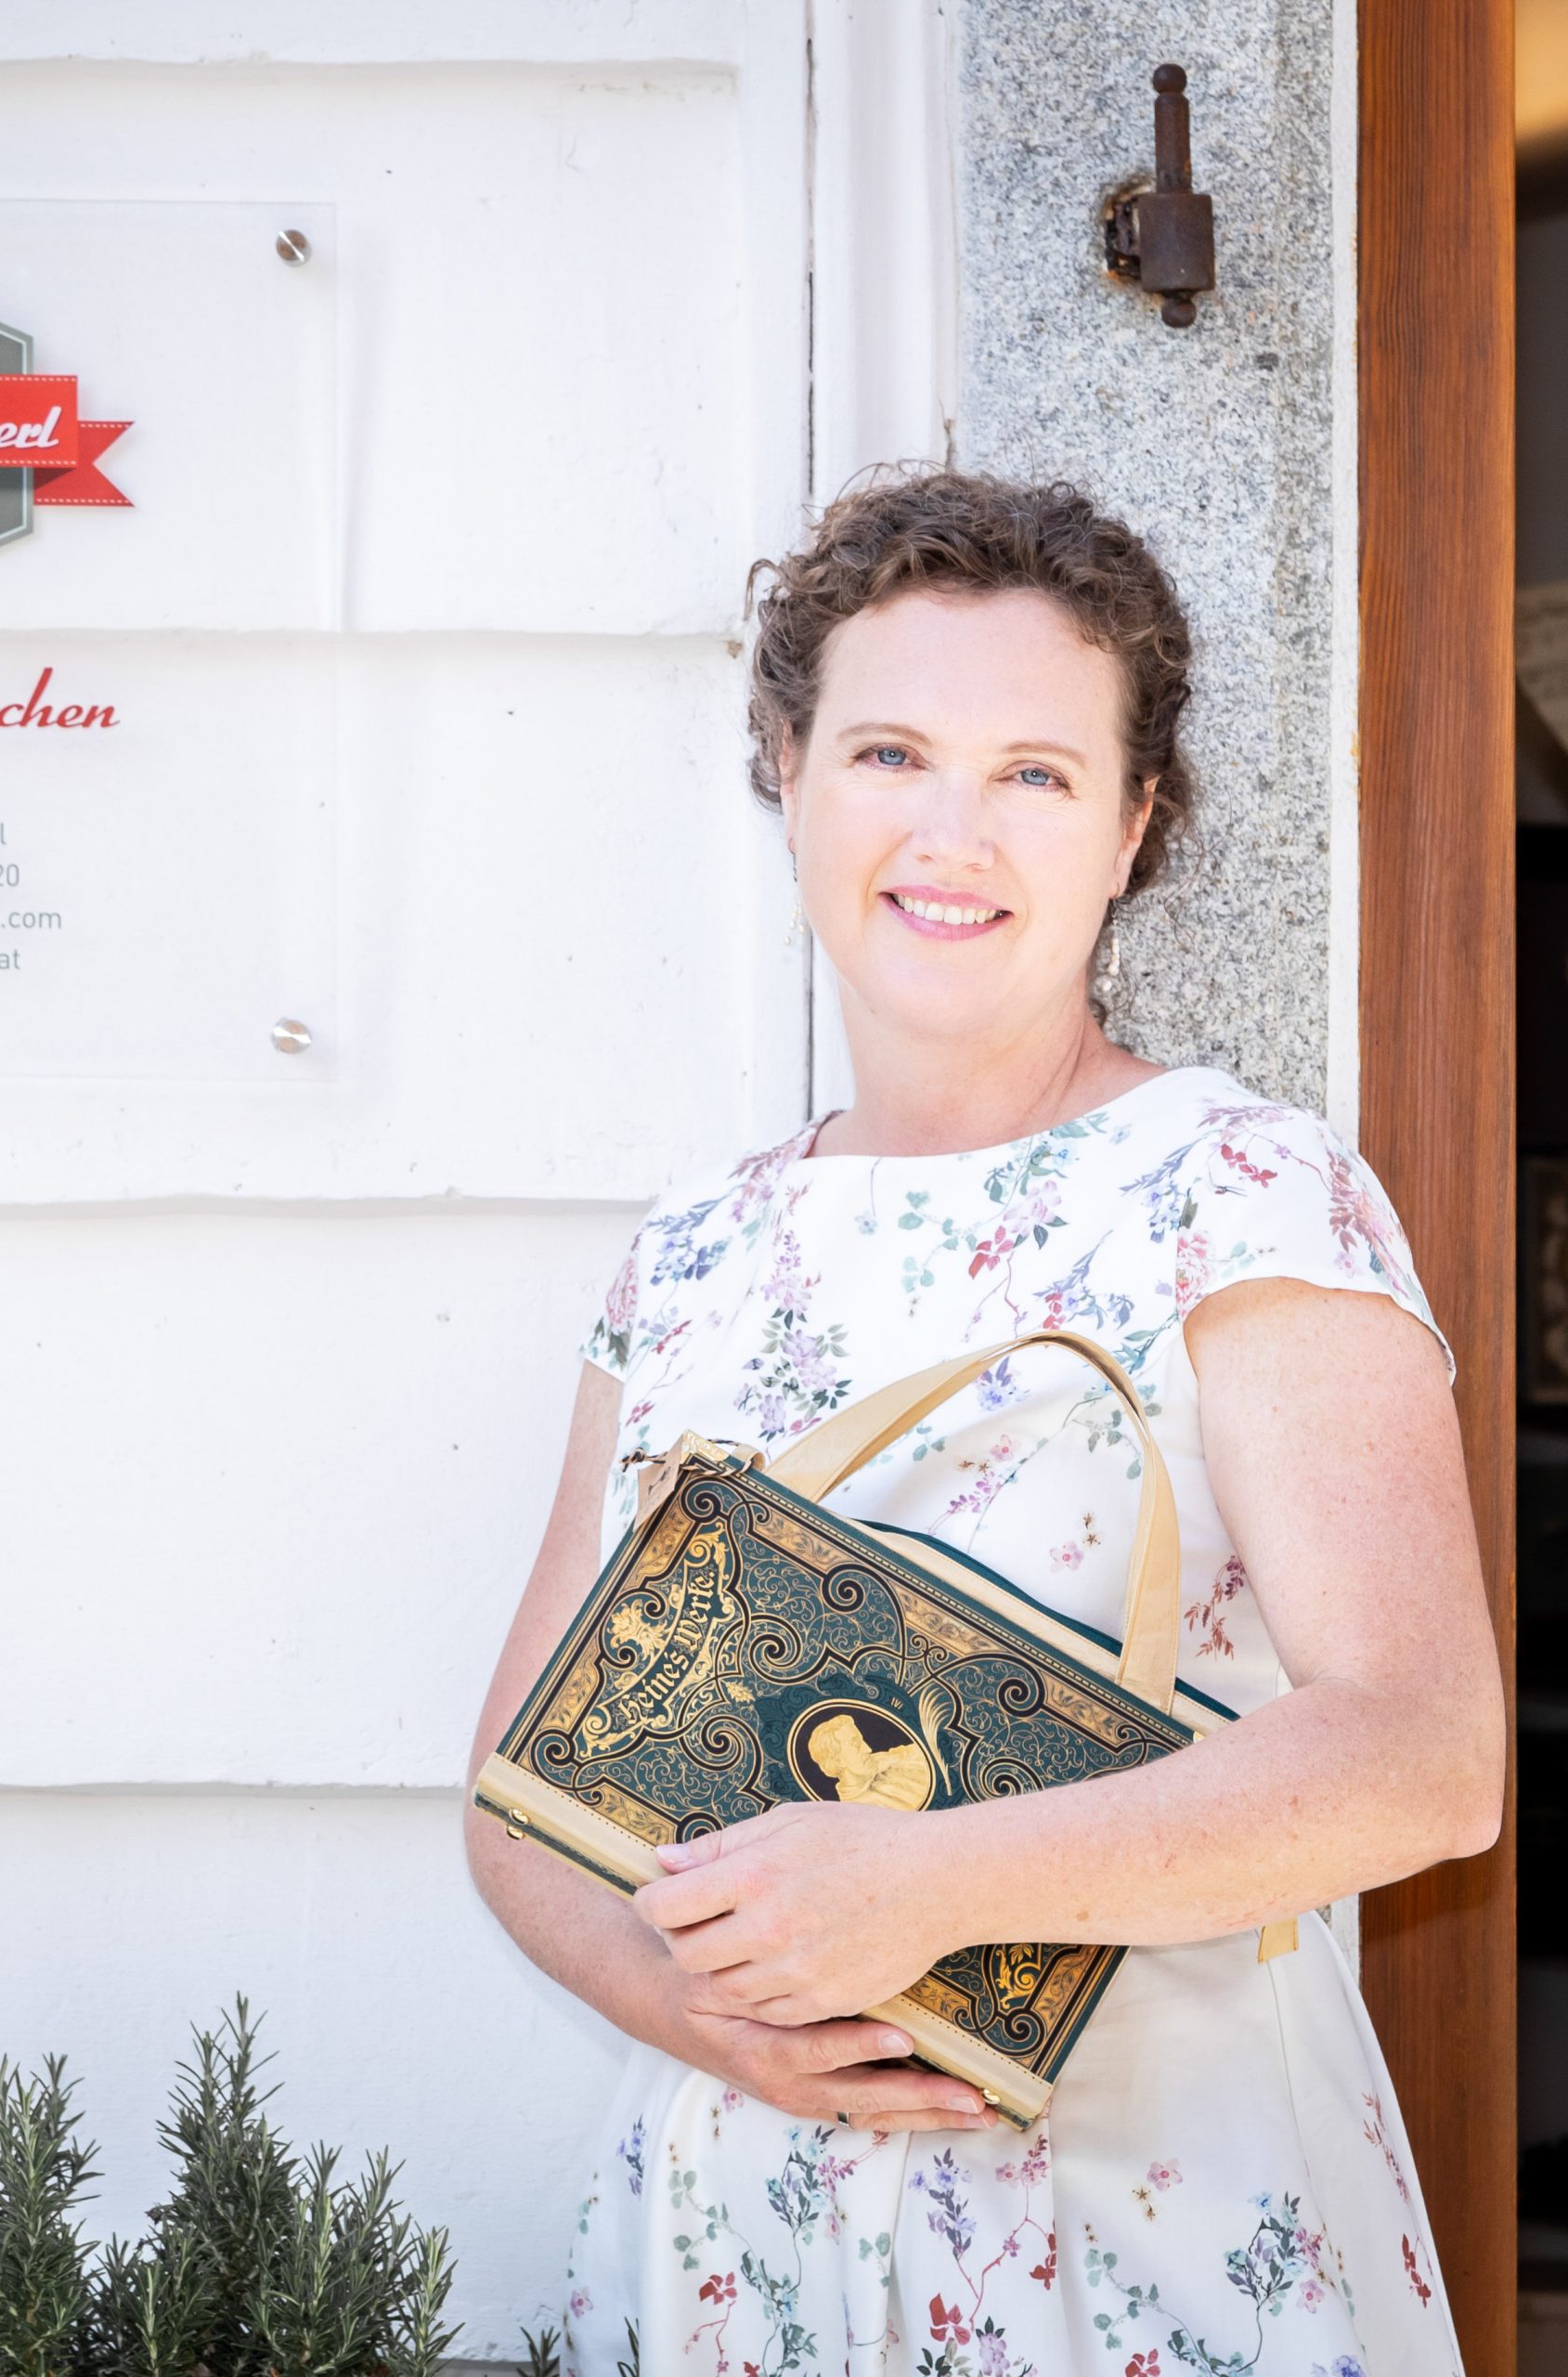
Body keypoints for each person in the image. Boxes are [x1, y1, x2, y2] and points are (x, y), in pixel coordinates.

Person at [462, 470, 1504, 2377]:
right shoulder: (692, 1249)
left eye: (1032, 771)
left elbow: (1422, 1755)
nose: (949, 831)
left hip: (1127, 2226)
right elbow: (520, 1790)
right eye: (885, 749)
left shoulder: (1237, 1191)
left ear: (1131, 825)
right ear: (784, 770)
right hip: (732, 2219)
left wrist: (922, 1885)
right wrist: (699, 2009)